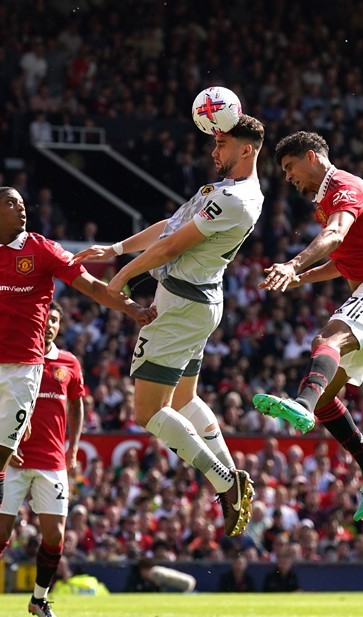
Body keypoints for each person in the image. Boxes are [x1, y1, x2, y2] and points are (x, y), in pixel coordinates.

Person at [0, 186, 155, 606]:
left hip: (22, 372)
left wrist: (131, 308)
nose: (22, 209)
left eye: (24, 204)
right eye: (12, 204)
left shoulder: (43, 250)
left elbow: (92, 286)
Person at [72, 115, 265, 538]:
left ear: (246, 149)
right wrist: (118, 249)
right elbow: (169, 229)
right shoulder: (224, 192)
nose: (214, 152)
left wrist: (120, 280)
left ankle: (225, 482)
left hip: (178, 307)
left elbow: (172, 247)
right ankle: (230, 475)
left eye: (222, 145)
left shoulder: (235, 200)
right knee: (183, 398)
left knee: (148, 411)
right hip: (197, 302)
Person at [253, 131, 363, 521]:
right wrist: (299, 279)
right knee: (327, 396)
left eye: (290, 168)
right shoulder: (324, 203)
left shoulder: (344, 186)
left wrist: (294, 264)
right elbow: (342, 259)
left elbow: (335, 235)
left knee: (326, 338)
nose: (288, 178)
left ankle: (302, 406)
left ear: (312, 157)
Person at [0, 301, 83, 617]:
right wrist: (2, 442)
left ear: (59, 325)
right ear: (38, 319)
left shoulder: (69, 362)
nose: (50, 325)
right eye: (47, 318)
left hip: (52, 463)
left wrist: (73, 448)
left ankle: (40, 599)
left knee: (55, 536)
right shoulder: (16, 359)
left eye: (56, 320)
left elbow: (77, 406)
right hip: (13, 462)